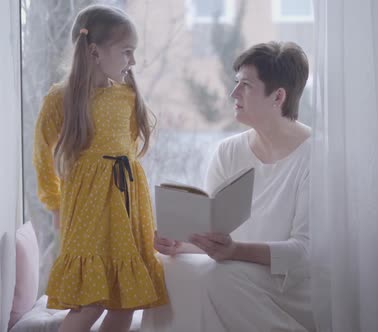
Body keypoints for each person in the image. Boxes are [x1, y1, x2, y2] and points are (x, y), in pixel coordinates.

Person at [148, 41, 315, 332]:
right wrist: (180, 244)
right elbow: (216, 240)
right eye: (236, 83)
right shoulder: (227, 151)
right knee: (165, 268)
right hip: (232, 267)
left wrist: (234, 251)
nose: (233, 93)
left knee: (218, 278)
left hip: (286, 284)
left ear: (278, 97)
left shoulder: (315, 156)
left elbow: (302, 251)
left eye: (246, 85)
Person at [32, 5, 168, 332]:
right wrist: (55, 203)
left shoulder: (127, 96)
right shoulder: (60, 99)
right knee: (89, 304)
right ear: (94, 52)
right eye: (126, 52)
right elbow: (41, 154)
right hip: (87, 213)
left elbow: (130, 153)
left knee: (126, 302)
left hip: (127, 208)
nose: (133, 61)